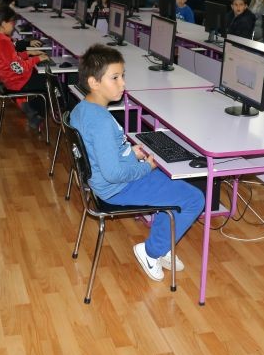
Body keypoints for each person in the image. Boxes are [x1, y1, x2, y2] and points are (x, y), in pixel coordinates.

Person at [69, 44, 204, 281]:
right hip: (117, 188)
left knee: (170, 183)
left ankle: (162, 243)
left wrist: (131, 153)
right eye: (115, 78)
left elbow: (101, 154)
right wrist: (145, 167)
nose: (122, 83)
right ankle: (151, 252)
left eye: (123, 76)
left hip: (104, 182)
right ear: (94, 82)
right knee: (194, 199)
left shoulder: (82, 109)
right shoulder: (101, 121)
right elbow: (113, 173)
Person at [0, 4, 49, 129]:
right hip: (17, 81)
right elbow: (18, 68)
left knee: (40, 75)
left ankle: (29, 108)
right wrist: (37, 59)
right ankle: (37, 115)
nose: (14, 26)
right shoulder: (3, 41)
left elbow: (9, 59)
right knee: (49, 81)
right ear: (3, 23)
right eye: (12, 22)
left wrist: (28, 53)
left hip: (8, 79)